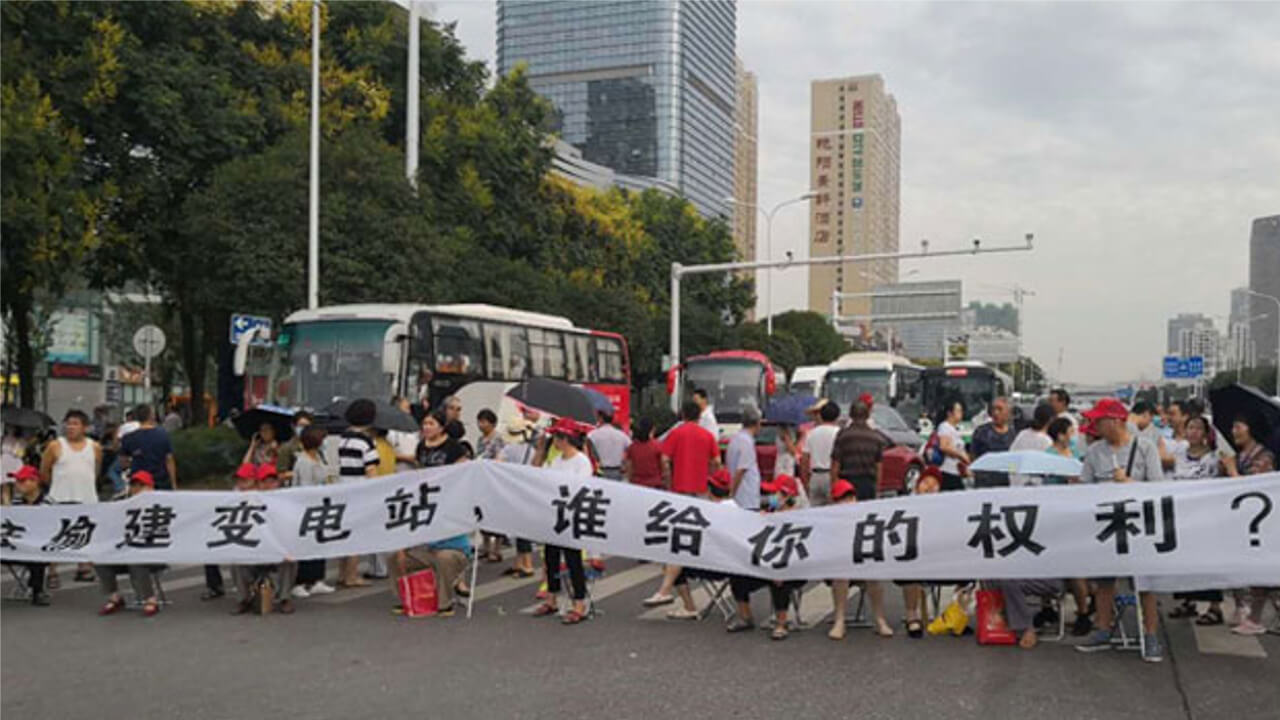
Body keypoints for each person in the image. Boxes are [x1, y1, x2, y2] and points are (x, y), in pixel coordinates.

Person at [1075, 398, 1165, 662]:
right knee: (1104, 581)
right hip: (1106, 526)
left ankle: (1150, 635)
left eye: (1098, 420)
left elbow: (1158, 488)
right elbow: (1083, 488)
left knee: (1145, 583)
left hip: (1139, 526)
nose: (1094, 425)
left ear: (1114, 421)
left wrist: (1130, 483)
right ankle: (1102, 630)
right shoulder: (1094, 452)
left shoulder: (1145, 448)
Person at [642, 401, 721, 611]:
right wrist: (708, 475)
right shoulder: (707, 436)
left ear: (683, 414)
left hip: (680, 492)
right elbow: (717, 462)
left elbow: (665, 459)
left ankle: (671, 593)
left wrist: (668, 481)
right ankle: (674, 592)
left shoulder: (676, 434)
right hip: (702, 492)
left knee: (677, 541)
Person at [724, 473, 805, 640]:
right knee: (737, 574)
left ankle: (781, 623)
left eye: (777, 494)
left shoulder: (799, 519)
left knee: (779, 577)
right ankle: (746, 617)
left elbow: (800, 551)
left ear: (787, 497)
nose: (772, 497)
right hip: (764, 564)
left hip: (793, 569)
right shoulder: (768, 513)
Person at [1165, 415, 1226, 626]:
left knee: (1207, 562)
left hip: (1205, 517)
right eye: (1189, 427)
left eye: (1197, 428)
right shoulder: (1179, 452)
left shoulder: (1213, 458)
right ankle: (1187, 601)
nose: (1192, 432)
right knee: (1183, 561)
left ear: (1205, 433)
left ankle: (1215, 607)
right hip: (1181, 515)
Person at [531, 418, 593, 625]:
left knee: (573, 560)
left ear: (565, 439)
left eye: (555, 437)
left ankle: (579, 603)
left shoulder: (581, 461)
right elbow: (539, 477)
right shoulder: (556, 460)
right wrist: (539, 451)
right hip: (553, 516)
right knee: (551, 559)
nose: (553, 441)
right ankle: (552, 598)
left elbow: (581, 487)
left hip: (571, 518)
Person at [1224, 411, 1276, 637]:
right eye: (1233, 427)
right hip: (1241, 523)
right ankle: (1245, 610)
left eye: (1239, 426)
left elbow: (1250, 489)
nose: (1234, 431)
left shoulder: (1264, 456)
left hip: (1262, 524)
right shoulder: (1240, 454)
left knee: (1261, 571)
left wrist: (1231, 469)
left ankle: (1255, 617)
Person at [40, 409, 102, 584]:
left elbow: (96, 471)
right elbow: (44, 472)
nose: (71, 427)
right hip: (60, 497)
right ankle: (52, 572)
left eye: (75, 424)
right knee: (56, 536)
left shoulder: (94, 447)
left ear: (85, 427)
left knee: (85, 533)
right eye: (68, 423)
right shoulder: (55, 446)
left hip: (86, 497)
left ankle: (83, 568)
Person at [826, 478, 894, 639]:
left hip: (862, 563)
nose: (848, 502)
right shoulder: (828, 520)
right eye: (843, 499)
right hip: (838, 567)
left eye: (850, 498)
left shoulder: (866, 518)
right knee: (841, 574)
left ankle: (879, 619)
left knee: (873, 574)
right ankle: (839, 620)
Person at [95, 470, 164, 617]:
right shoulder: (119, 501)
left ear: (151, 487)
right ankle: (114, 597)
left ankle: (149, 599)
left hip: (152, 552)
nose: (137, 489)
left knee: (136, 560)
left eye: (142, 485)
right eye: (134, 485)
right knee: (100, 559)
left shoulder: (161, 503)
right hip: (123, 550)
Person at [232, 464, 298, 615]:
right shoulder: (246, 502)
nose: (269, 485)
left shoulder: (286, 502)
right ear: (258, 484)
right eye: (264, 482)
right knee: (236, 561)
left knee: (290, 559)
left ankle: (285, 598)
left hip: (277, 550)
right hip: (253, 550)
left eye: (272, 481)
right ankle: (244, 599)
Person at [336, 399, 380, 588]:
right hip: (361, 490)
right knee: (356, 535)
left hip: (344, 488)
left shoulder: (343, 439)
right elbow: (371, 470)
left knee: (343, 533)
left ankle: (341, 573)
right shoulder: (366, 442)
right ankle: (352, 576)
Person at [290, 425, 336, 598]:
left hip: (321, 506)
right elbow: (305, 487)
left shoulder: (318, 457)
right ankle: (299, 582)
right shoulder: (303, 461)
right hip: (307, 508)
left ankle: (317, 579)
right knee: (305, 546)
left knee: (319, 543)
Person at [497, 415, 539, 578]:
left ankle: (527, 566)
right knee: (522, 528)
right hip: (528, 492)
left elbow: (498, 464)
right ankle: (519, 563)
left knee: (519, 530)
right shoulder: (533, 450)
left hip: (513, 492)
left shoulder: (508, 449)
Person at [5, 465, 52, 606]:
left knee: (37, 555)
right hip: (18, 545)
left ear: (35, 481)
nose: (18, 485)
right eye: (18, 481)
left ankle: (37, 591)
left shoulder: (49, 503)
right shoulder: (17, 502)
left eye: (22, 481)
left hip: (40, 547)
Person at [829, 401, 890, 503]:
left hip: (846, 484)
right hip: (868, 484)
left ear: (850, 415)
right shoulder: (875, 437)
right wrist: (877, 488)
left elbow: (836, 463)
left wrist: (834, 485)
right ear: (868, 415)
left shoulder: (843, 435)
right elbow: (878, 466)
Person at [988, 578, 1067, 650]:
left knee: (1009, 583)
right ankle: (1001, 617)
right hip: (1024, 576)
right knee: (991, 577)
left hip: (1048, 579)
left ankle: (1026, 628)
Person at [119, 404, 177, 490]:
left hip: (139, 482)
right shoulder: (163, 435)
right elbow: (169, 460)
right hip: (160, 481)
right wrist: (173, 483)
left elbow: (123, 462)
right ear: (151, 416)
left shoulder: (128, 438)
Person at [970, 396, 1016, 487]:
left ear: (1008, 412)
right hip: (985, 482)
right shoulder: (981, 432)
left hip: (1006, 482)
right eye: (993, 409)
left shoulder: (1013, 434)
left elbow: (1014, 459)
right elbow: (973, 455)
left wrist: (1012, 474)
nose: (995, 413)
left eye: (999, 409)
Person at [1010, 404, 1054, 486]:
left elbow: (1011, 459)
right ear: (1051, 420)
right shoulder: (1047, 441)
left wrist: (1012, 475)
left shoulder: (1022, 434)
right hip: (1037, 486)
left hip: (1017, 483)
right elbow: (1048, 470)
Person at [933, 399, 970, 491]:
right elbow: (944, 446)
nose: (961, 413)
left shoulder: (955, 429)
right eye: (958, 410)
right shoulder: (945, 427)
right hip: (947, 471)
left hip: (956, 471)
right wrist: (961, 456)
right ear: (949, 413)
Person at [623, 417, 667, 489]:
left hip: (637, 485)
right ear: (652, 429)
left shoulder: (632, 447)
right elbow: (664, 466)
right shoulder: (657, 446)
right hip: (655, 485)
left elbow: (629, 469)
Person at [586, 410, 630, 481]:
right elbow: (630, 448)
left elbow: (588, 451)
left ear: (600, 418)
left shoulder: (592, 435)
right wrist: (625, 463)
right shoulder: (622, 435)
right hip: (618, 471)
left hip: (600, 471)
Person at [276, 411, 313, 485]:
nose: (304, 429)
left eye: (307, 427)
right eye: (301, 426)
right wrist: (300, 472)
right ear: (293, 426)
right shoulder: (287, 448)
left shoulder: (314, 445)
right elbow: (281, 475)